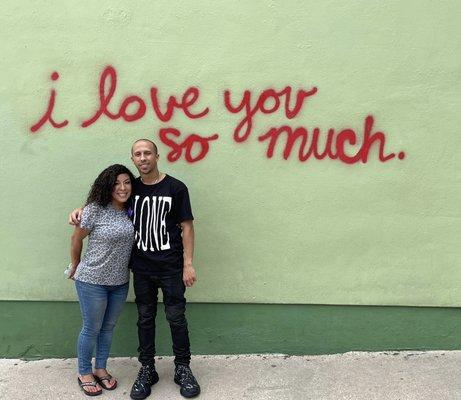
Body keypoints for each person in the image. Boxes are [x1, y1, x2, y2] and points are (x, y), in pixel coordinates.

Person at [70, 139, 200, 399]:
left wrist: (188, 264)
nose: (143, 158)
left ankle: (183, 368)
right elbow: (106, 205)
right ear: (133, 159)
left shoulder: (176, 187)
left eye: (147, 153)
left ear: (157, 156)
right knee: (145, 319)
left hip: (172, 266)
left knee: (176, 317)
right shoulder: (131, 189)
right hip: (141, 269)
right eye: (138, 154)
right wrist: (80, 210)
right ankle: (147, 368)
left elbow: (187, 226)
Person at [69, 164, 135, 396]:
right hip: (92, 280)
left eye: (127, 182)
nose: (122, 187)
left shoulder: (132, 210)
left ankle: (100, 369)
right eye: (117, 183)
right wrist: (75, 265)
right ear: (107, 186)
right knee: (92, 328)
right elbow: (76, 239)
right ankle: (84, 371)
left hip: (119, 282)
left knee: (108, 328)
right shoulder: (95, 210)